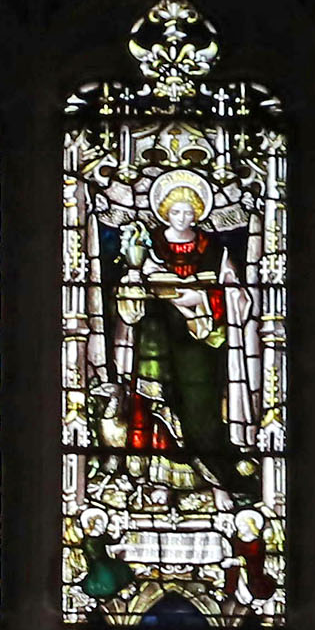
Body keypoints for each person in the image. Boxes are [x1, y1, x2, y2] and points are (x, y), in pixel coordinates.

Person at [106, 169, 254, 489]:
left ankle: (208, 474)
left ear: (198, 213)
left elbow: (237, 296)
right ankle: (157, 479)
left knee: (202, 403)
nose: (182, 217)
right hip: (156, 338)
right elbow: (125, 296)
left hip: (201, 345)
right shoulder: (149, 247)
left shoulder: (215, 251)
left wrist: (201, 297)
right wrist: (137, 283)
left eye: (189, 211)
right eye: (176, 211)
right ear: (165, 212)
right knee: (158, 402)